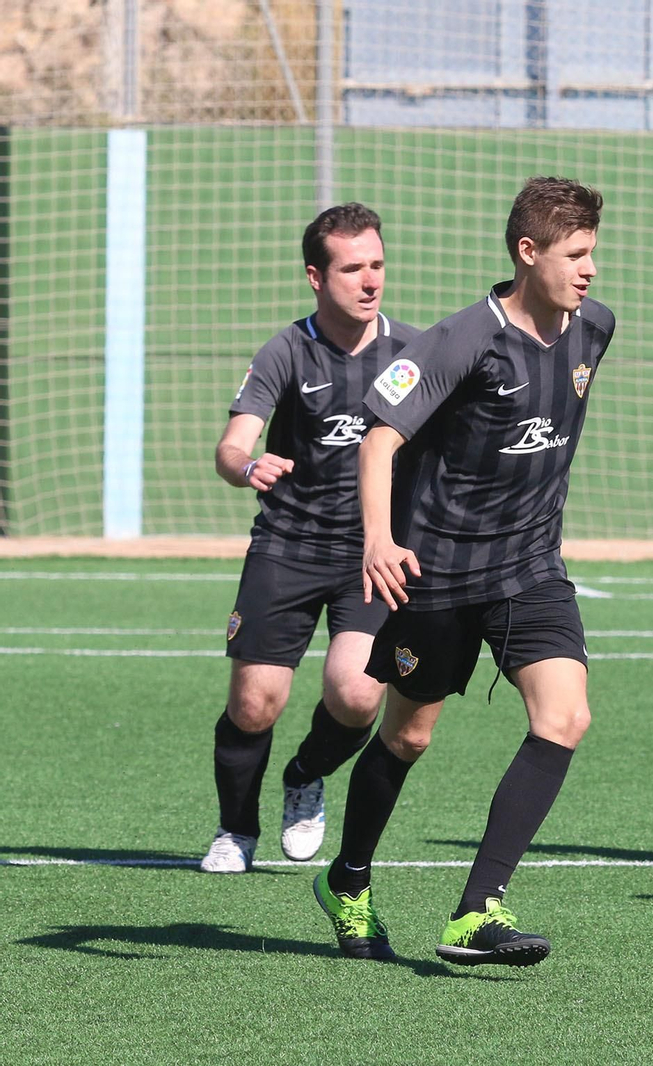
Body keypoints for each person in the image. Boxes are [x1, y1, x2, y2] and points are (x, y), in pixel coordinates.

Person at [311, 176, 614, 966]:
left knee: (565, 717)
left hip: (531, 571)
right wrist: (379, 540)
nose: (589, 268)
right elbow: (378, 440)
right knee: (407, 737)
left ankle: (476, 910)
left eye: (594, 252)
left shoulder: (595, 330)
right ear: (527, 252)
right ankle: (348, 880)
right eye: (574, 253)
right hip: (437, 577)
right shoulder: (458, 341)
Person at [202, 203, 420, 874]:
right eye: (352, 267)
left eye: (377, 264)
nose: (369, 280)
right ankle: (236, 830)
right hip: (289, 544)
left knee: (357, 694)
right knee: (255, 702)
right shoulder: (286, 350)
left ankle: (306, 773)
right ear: (316, 277)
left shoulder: (414, 352)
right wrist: (248, 465)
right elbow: (232, 445)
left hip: (371, 553)